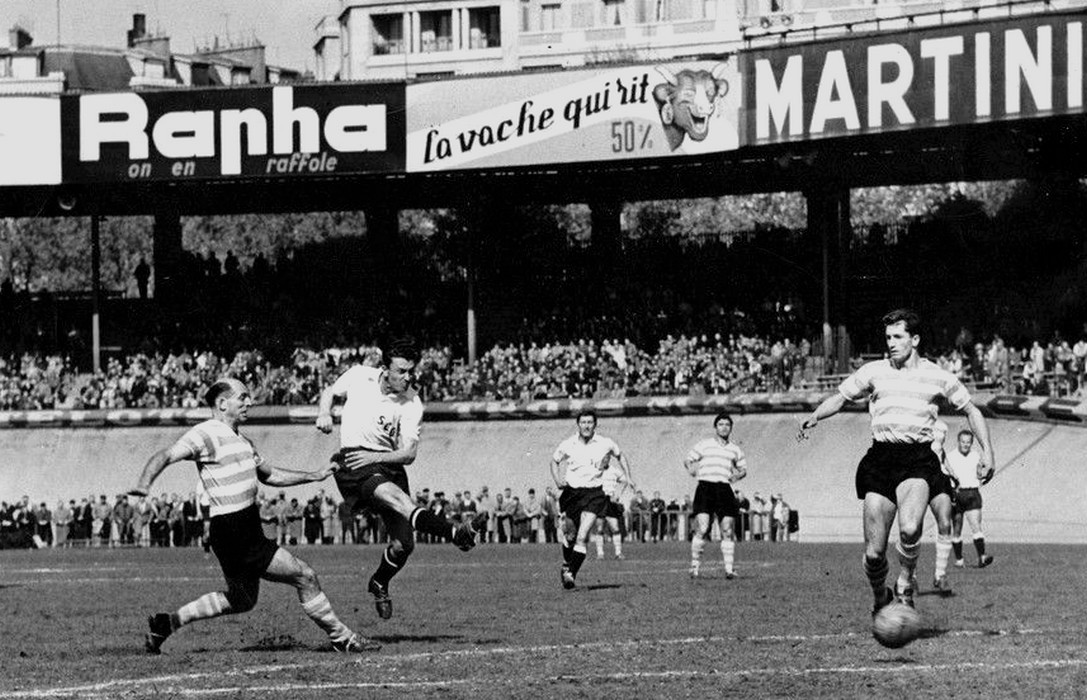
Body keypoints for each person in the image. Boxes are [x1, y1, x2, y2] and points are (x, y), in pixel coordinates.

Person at [131, 377, 378, 654]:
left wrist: (316, 475)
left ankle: (166, 623)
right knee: (304, 575)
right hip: (234, 528)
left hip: (239, 527)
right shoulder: (206, 433)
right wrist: (144, 484)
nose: (250, 402)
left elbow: (270, 475)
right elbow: (165, 455)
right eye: (243, 397)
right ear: (223, 403)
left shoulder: (243, 440)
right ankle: (341, 637)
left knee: (243, 599)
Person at [798, 309, 994, 618]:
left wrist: (988, 453)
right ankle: (880, 595)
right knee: (874, 555)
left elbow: (972, 410)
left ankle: (905, 581)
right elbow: (840, 397)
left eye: (898, 337)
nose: (891, 343)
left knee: (911, 527)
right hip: (880, 459)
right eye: (888, 337)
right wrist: (815, 416)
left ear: (914, 339)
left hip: (917, 459)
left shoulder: (938, 376)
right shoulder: (874, 370)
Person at [316, 338, 485, 620]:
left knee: (403, 545)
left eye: (411, 371)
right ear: (385, 369)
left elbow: (409, 453)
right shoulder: (359, 376)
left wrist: (377, 459)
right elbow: (330, 392)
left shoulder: (411, 403)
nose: (408, 377)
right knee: (399, 500)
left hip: (386, 463)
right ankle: (456, 534)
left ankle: (379, 582)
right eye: (402, 371)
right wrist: (323, 412)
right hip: (356, 461)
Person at [550, 410, 634, 589]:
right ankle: (566, 564)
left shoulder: (605, 443)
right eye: (583, 422)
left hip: (594, 494)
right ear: (578, 424)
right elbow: (554, 461)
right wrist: (558, 480)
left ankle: (571, 574)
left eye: (590, 422)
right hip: (572, 494)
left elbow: (620, 456)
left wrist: (629, 476)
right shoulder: (568, 444)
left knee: (582, 536)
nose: (586, 425)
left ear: (595, 424)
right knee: (570, 535)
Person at [684, 412, 747, 578]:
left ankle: (729, 570)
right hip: (705, 488)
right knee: (703, 528)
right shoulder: (704, 445)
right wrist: (690, 468)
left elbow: (743, 470)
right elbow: (688, 459)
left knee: (727, 529)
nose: (724, 427)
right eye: (721, 424)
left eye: (727, 424)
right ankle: (694, 566)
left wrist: (737, 476)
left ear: (731, 428)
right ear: (715, 427)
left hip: (724, 489)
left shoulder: (735, 449)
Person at [944, 429, 995, 568]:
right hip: (957, 494)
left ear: (971, 443)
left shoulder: (975, 456)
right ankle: (959, 560)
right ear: (958, 442)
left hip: (972, 493)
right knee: (957, 528)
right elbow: (946, 475)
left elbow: (979, 473)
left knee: (976, 526)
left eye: (968, 442)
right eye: (963, 442)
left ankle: (982, 556)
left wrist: (983, 471)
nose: (965, 445)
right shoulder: (950, 456)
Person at [926, 420, 957, 595]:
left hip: (939, 476)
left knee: (945, 524)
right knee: (912, 528)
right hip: (916, 475)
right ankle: (910, 576)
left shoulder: (942, 425)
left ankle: (940, 575)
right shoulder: (913, 416)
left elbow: (939, 450)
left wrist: (952, 472)